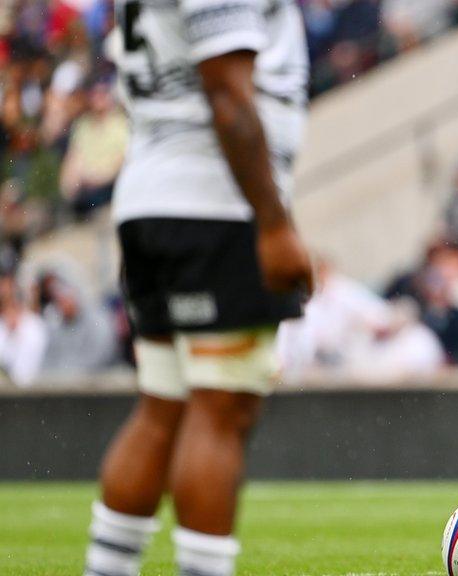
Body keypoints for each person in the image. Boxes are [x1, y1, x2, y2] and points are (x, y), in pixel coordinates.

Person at [83, 2, 313, 576]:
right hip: (213, 202)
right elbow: (227, 91)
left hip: (152, 192)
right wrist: (275, 222)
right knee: (220, 410)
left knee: (163, 408)